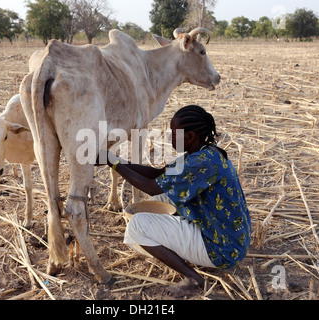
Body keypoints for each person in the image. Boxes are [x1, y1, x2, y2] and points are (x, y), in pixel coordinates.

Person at [98, 105, 251, 297]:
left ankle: (193, 279)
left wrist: (114, 163)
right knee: (164, 195)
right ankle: (188, 250)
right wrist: (112, 158)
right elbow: (158, 174)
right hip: (231, 239)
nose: (169, 138)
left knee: (137, 226)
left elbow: (151, 186)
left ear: (190, 137)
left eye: (173, 133)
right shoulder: (205, 153)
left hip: (222, 248)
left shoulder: (199, 163)